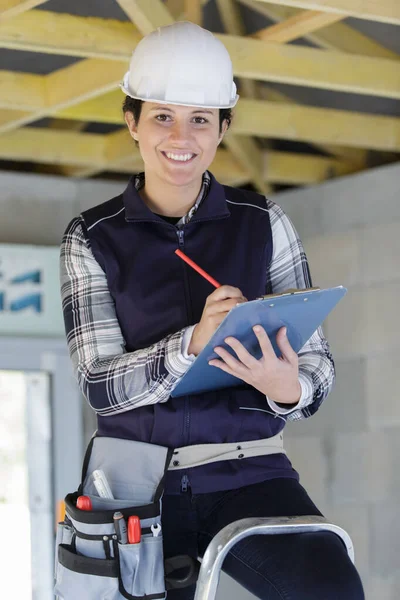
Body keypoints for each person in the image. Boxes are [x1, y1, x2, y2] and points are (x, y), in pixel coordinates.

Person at [60, 21, 364, 600]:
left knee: (330, 588)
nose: (182, 136)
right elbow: (100, 385)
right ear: (133, 123)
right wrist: (190, 346)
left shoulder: (265, 222)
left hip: (251, 472)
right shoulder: (91, 237)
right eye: (162, 116)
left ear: (223, 127)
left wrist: (287, 387)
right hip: (132, 486)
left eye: (201, 119)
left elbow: (318, 369)